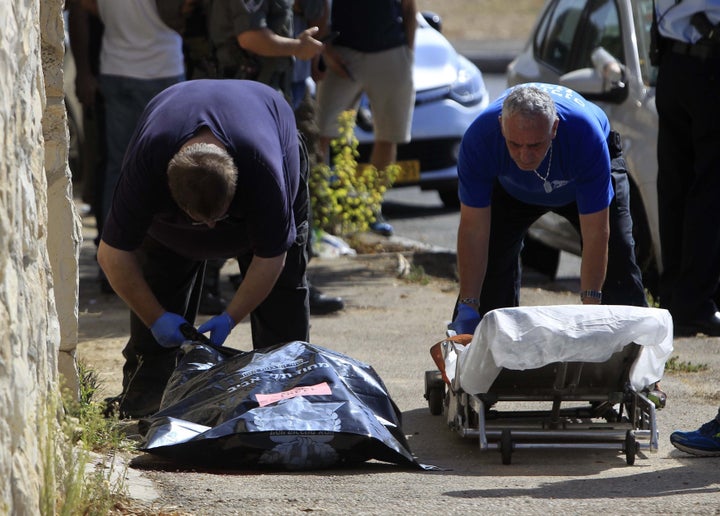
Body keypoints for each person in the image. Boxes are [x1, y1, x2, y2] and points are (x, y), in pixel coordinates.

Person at [97, 80, 310, 418]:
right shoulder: (148, 166)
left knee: (280, 305)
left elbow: (272, 259)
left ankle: (286, 404)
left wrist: (230, 316)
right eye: (201, 221)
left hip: (264, 146)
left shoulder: (263, 170)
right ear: (170, 194)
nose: (212, 230)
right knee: (159, 285)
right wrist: (156, 318)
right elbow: (112, 256)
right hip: (170, 225)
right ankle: (147, 401)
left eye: (220, 218)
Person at [450, 83, 648, 336]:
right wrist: (469, 305)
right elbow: (472, 230)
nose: (524, 156)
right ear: (501, 125)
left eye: (534, 145)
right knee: (490, 264)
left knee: (618, 258)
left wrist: (590, 312)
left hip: (580, 183)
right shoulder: (480, 138)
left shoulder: (584, 134)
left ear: (554, 128)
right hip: (511, 189)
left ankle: (631, 355)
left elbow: (597, 234)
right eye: (514, 144)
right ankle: (491, 355)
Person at [206, 0, 344, 315]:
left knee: (297, 192)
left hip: (287, 89)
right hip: (251, 94)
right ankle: (210, 280)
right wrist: (298, 47)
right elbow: (250, 36)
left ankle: (295, 281)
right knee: (239, 185)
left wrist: (310, 51)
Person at [315, 0, 417, 236]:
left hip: (391, 51)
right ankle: (320, 210)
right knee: (321, 132)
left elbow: (409, 7)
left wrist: (408, 52)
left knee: (388, 135)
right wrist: (326, 50)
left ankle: (371, 208)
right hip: (343, 50)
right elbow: (319, 6)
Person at [653, 2, 720, 337]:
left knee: (676, 188)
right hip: (708, 66)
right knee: (708, 191)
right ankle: (695, 303)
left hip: (674, 64)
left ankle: (678, 298)